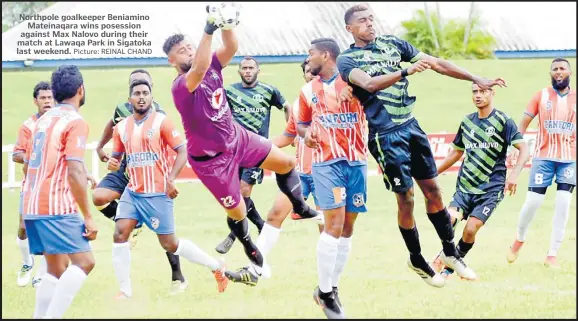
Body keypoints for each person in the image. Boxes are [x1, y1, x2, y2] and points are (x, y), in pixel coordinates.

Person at [336, 4, 506, 285]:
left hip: (411, 128)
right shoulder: (347, 59)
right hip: (384, 135)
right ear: (349, 29)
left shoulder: (392, 44)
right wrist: (405, 72)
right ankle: (416, 258)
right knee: (406, 198)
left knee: (434, 191)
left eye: (371, 19)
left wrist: (474, 77)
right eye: (362, 21)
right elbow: (367, 84)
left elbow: (437, 63)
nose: (369, 24)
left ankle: (450, 253)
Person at [163, 6, 319, 285]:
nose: (189, 51)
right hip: (211, 162)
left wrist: (226, 22)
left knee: (287, 163)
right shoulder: (180, 85)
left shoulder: (210, 63)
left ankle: (299, 206)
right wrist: (208, 28)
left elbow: (232, 45)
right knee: (237, 211)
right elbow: (198, 66)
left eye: (190, 46)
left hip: (237, 138)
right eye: (182, 50)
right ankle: (249, 245)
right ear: (171, 61)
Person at [107, 79, 228, 298]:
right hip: (132, 192)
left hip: (158, 193)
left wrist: (171, 179)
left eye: (145, 93)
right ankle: (124, 291)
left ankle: (216, 266)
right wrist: (112, 163)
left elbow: (182, 151)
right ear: (130, 99)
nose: (141, 97)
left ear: (151, 97)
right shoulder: (121, 127)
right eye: (137, 93)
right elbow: (115, 157)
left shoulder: (162, 122)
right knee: (120, 233)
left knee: (170, 244)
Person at [225, 59, 323, 286]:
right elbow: (287, 138)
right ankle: (255, 269)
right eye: (308, 72)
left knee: (326, 225)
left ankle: (329, 279)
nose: (311, 75)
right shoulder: (300, 104)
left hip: (327, 170)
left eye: (315, 72)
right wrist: (257, 148)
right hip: (301, 172)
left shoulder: (335, 99)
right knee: (275, 215)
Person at [92, 69, 187, 294]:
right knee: (98, 196)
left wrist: (169, 178)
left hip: (151, 174)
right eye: (135, 86)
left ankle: (177, 274)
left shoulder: (157, 112)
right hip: (128, 168)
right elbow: (111, 124)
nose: (140, 93)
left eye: (144, 88)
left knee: (164, 233)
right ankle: (132, 222)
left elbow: (169, 145)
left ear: (151, 89)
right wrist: (100, 146)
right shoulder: (123, 109)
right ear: (130, 92)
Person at [296, 38, 368, 319]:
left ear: (326, 56)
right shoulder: (306, 91)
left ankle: (330, 288)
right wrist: (307, 135)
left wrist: (358, 93)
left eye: (310, 53)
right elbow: (301, 124)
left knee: (348, 228)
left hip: (357, 162)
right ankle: (326, 294)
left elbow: (375, 97)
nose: (307, 57)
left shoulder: (354, 83)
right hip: (326, 163)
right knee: (333, 225)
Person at [22, 65, 97, 319]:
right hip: (55, 206)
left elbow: (34, 163)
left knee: (56, 269)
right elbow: (73, 168)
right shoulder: (75, 122)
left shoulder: (42, 120)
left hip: (32, 203)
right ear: (81, 90)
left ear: (54, 93)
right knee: (85, 262)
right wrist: (88, 215)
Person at [432, 83, 529, 278]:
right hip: (465, 187)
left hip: (490, 190)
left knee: (470, 229)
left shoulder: (503, 121)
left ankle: (449, 266)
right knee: (448, 220)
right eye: (474, 91)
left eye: (482, 91)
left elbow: (524, 149)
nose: (478, 95)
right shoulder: (467, 122)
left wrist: (514, 175)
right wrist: (433, 174)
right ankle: (443, 259)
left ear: (492, 93)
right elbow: (456, 152)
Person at [216, 56, 292, 255]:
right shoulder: (229, 91)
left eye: (251, 68)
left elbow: (286, 106)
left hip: (257, 151)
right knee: (233, 194)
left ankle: (233, 235)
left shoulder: (268, 90)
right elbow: (217, 113)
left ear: (258, 70)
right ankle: (260, 224)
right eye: (244, 68)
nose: (248, 71)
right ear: (239, 71)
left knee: (243, 191)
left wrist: (290, 132)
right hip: (233, 150)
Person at [507, 58, 576, 267]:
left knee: (563, 204)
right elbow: (523, 124)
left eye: (562, 68)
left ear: (569, 73)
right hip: (543, 157)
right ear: (551, 74)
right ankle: (519, 239)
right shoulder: (541, 95)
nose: (558, 72)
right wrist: (514, 148)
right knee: (533, 203)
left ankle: (552, 254)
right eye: (555, 69)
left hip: (569, 159)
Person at [12, 81, 53, 288]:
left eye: (50, 97)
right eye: (43, 98)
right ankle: (27, 263)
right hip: (30, 185)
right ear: (35, 101)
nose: (47, 101)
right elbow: (16, 154)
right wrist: (35, 155)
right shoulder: (28, 126)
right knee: (23, 228)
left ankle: (41, 273)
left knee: (47, 228)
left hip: (52, 186)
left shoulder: (59, 123)